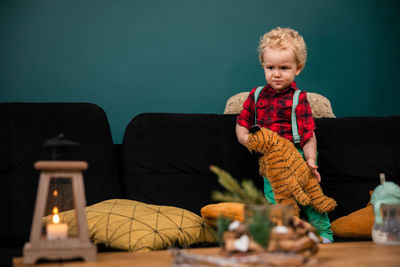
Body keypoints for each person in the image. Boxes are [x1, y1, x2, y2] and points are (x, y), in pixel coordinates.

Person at [236, 27, 333, 243]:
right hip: (271, 159)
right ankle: (286, 235)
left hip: (298, 154)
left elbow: (309, 134)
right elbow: (241, 123)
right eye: (270, 67)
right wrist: (246, 140)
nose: (276, 73)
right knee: (277, 200)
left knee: (310, 195)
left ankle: (323, 234)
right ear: (263, 65)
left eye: (284, 68)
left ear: (298, 68)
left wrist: (310, 159)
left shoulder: (300, 98)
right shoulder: (256, 95)